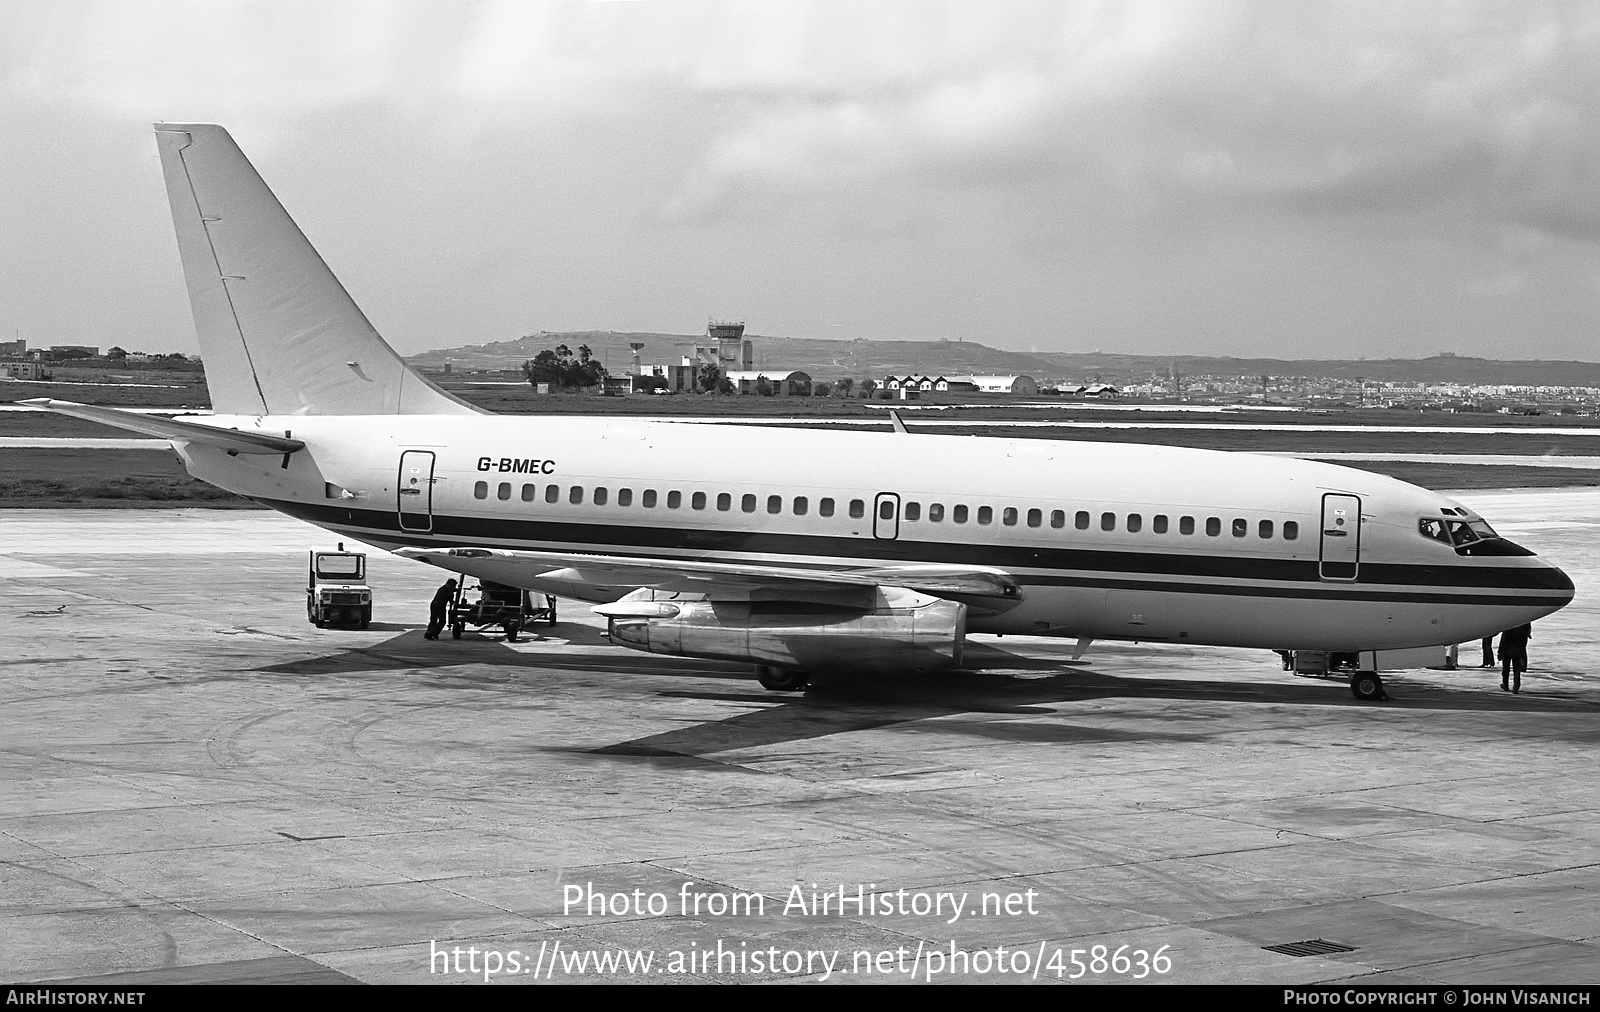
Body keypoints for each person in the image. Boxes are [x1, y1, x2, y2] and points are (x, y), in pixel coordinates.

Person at [1499, 623, 1532, 693]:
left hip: (1507, 651)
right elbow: (1523, 643)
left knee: (1506, 669)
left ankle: (1505, 685)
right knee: (1516, 670)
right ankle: (1516, 687)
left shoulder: (1508, 627)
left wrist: (1500, 652)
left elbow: (1503, 640)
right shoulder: (1522, 629)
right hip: (1517, 651)